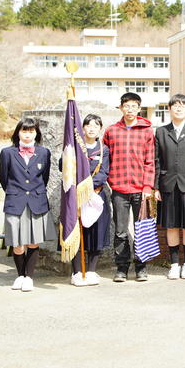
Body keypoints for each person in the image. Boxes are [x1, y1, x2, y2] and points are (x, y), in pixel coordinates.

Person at [102, 92, 156, 283]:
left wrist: (148, 186)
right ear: (121, 108)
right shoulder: (111, 131)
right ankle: (121, 268)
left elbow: (150, 161)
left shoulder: (147, 131)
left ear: (139, 109)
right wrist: (109, 180)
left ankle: (141, 267)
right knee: (120, 231)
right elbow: (104, 159)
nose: (130, 109)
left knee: (142, 229)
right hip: (119, 188)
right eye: (126, 106)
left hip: (141, 189)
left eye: (134, 106)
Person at [0, 118, 55, 292]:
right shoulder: (7, 153)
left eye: (31, 131)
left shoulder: (44, 152)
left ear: (36, 133)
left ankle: (29, 277)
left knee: (33, 241)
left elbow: (44, 177)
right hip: (15, 201)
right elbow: (3, 178)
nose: (27, 135)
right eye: (24, 131)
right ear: (18, 132)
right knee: (17, 242)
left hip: (36, 201)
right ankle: (20, 275)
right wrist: (16, 192)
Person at [154, 94, 185, 280]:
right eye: (175, 105)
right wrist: (156, 187)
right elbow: (157, 161)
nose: (179, 108)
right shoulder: (161, 132)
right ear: (169, 109)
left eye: (183, 105)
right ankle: (174, 264)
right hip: (167, 186)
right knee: (171, 226)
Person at [67, 114, 111, 287]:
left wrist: (88, 188)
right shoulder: (75, 147)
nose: (92, 129)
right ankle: (77, 271)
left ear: (100, 129)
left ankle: (91, 270)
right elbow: (64, 166)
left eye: (96, 125)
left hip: (95, 195)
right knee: (76, 234)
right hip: (75, 196)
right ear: (82, 128)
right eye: (88, 125)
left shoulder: (103, 149)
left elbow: (104, 173)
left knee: (96, 233)